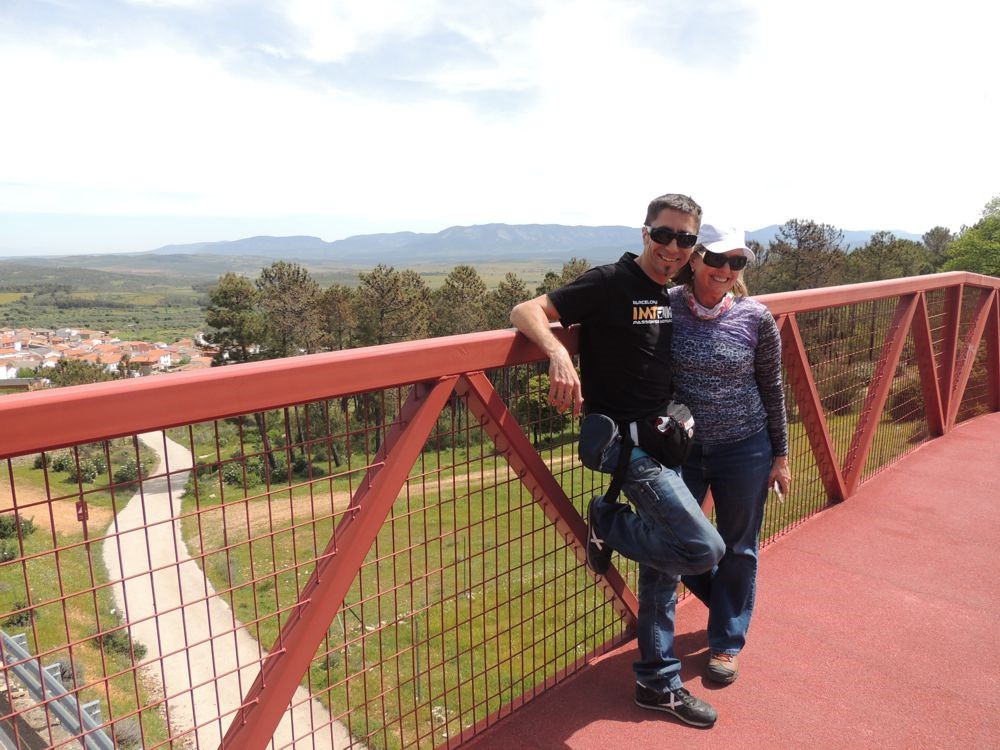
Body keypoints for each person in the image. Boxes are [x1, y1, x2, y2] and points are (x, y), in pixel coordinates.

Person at [510, 193, 725, 728]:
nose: (673, 247)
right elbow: (525, 310)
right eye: (664, 234)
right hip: (625, 447)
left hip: (661, 441)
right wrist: (558, 353)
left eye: (685, 239)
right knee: (703, 548)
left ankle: (656, 683)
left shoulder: (667, 291)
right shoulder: (609, 281)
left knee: (662, 569)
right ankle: (607, 522)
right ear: (645, 233)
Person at [668, 223, 792, 685]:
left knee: (739, 547)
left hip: (745, 448)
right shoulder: (665, 307)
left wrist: (780, 456)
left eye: (736, 262)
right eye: (717, 258)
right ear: (695, 258)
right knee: (677, 541)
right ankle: (728, 602)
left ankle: (726, 642)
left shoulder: (755, 317)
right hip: (682, 448)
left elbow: (772, 388)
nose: (725, 269)